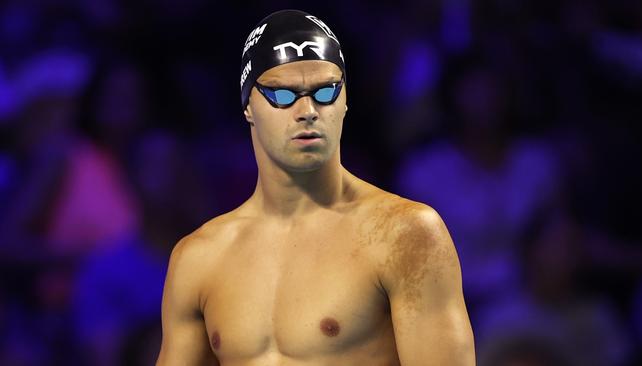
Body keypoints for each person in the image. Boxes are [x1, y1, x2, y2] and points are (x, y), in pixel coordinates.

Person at [156, 9, 474, 365]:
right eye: (283, 95)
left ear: (345, 100)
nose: (307, 110)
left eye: (325, 91)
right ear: (248, 106)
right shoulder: (199, 258)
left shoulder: (403, 234)